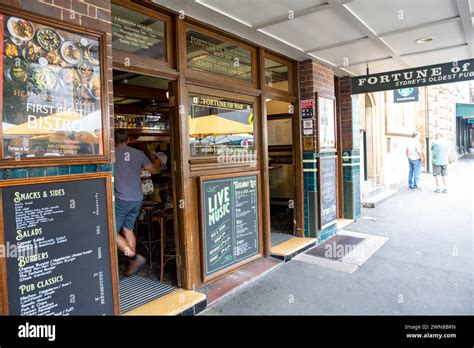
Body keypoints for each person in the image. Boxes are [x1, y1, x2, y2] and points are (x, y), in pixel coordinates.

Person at [114, 129, 161, 276]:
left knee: (110, 233)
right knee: (128, 230)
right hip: (137, 198)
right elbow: (155, 170)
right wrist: (157, 160)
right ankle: (133, 264)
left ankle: (134, 258)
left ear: (113, 141)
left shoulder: (111, 154)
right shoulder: (138, 154)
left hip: (122, 199)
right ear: (128, 140)